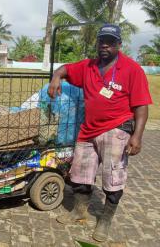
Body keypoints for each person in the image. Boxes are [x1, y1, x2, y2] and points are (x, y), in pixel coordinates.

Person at [48, 24, 152, 242]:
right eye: (101, 41)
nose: (105, 45)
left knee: (113, 178)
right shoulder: (89, 66)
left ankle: (105, 220)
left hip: (117, 129)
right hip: (88, 130)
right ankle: (79, 211)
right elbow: (66, 68)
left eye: (111, 42)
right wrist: (56, 76)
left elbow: (142, 105)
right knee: (80, 174)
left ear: (119, 45)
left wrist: (138, 136)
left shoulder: (132, 69)